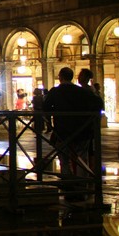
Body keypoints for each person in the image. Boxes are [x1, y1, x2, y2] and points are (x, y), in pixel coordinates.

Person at [43, 67, 102, 201]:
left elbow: (46, 108)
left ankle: (68, 182)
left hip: (62, 131)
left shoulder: (55, 92)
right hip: (81, 131)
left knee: (64, 158)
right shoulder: (80, 91)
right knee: (81, 157)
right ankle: (82, 183)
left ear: (60, 77)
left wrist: (51, 121)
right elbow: (98, 103)